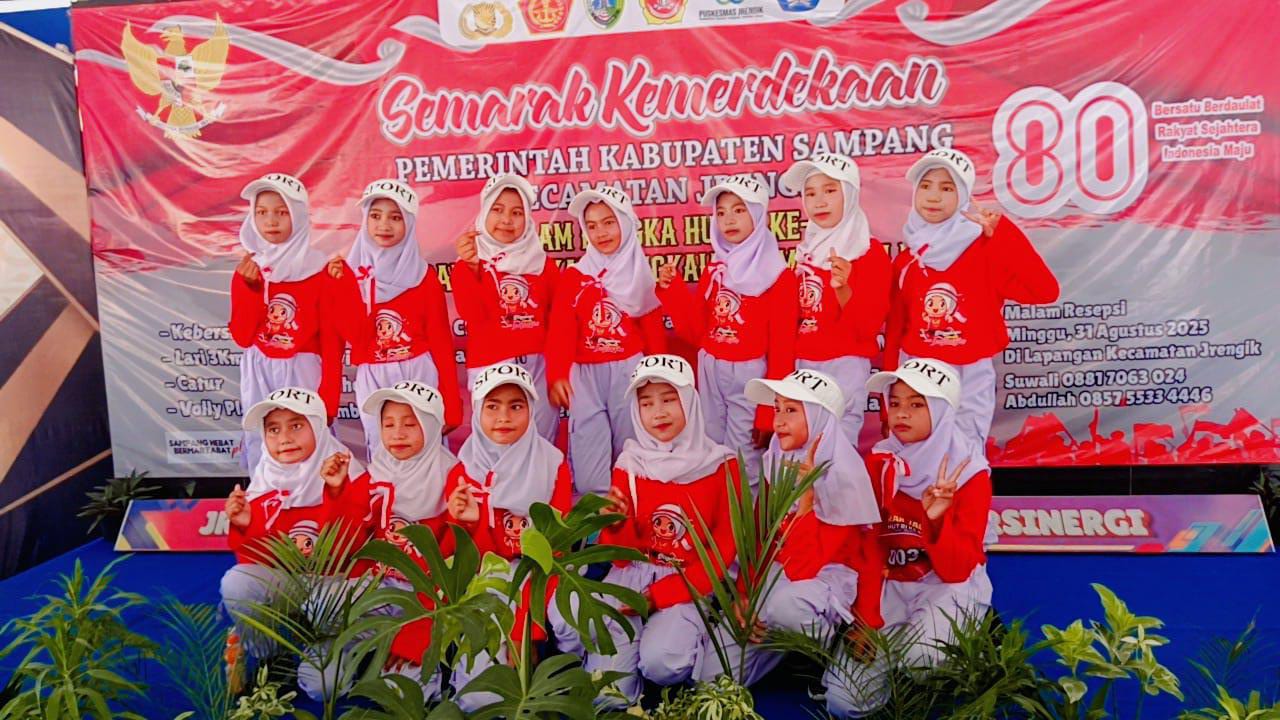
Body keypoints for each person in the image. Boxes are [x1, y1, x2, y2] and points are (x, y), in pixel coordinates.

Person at [550, 354, 741, 704]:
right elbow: (620, 554)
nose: (658, 413)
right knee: (608, 697)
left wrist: (660, 597)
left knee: (663, 662)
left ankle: (690, 638)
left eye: (669, 399)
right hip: (632, 576)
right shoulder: (630, 463)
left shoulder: (722, 465)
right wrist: (615, 522)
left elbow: (724, 549)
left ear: (690, 401)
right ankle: (622, 658)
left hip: (687, 581)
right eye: (646, 403)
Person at [825, 357, 994, 718]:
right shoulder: (880, 461)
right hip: (892, 586)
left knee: (923, 660)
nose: (901, 413)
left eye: (917, 404)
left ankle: (970, 642)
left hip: (946, 585)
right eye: (895, 402)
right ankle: (900, 658)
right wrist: (867, 619)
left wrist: (935, 520)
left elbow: (956, 570)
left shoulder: (970, 473)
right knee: (844, 702)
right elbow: (869, 546)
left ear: (942, 411)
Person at [694, 368, 882, 686]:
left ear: (820, 417)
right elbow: (760, 535)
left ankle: (829, 646)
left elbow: (804, 567)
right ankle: (780, 646)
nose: (778, 421)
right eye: (777, 409)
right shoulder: (776, 458)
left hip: (819, 582)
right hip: (777, 575)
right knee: (711, 678)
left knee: (788, 608)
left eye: (791, 410)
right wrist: (745, 595)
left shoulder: (844, 474)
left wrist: (806, 501)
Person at [884, 148, 1059, 446]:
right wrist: (889, 388)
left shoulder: (986, 250)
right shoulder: (907, 259)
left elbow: (1044, 291)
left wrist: (1004, 234)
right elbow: (896, 327)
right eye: (925, 186)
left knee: (966, 452)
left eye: (947, 188)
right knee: (916, 453)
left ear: (963, 195)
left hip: (970, 371)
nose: (933, 197)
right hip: (917, 370)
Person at [443, 363, 572, 710]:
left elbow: (551, 552)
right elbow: (464, 558)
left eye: (516, 406)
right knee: (479, 698)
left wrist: (524, 631)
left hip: (541, 575)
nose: (503, 417)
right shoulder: (463, 469)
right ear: (477, 411)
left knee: (574, 619)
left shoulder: (553, 464)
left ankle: (571, 671)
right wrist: (467, 524)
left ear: (531, 410)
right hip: (489, 577)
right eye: (492, 406)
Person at [219, 387, 367, 680]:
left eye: (296, 426)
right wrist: (246, 525)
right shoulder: (265, 480)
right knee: (237, 582)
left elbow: (353, 547)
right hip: (293, 585)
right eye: (273, 430)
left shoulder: (350, 473)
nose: (284, 438)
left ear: (318, 427)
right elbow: (254, 563)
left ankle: (339, 643)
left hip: (338, 588)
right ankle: (268, 654)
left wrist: (336, 493)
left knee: (320, 685)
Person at [658, 174, 796, 479]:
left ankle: (745, 512)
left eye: (739, 210)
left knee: (744, 458)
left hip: (750, 376)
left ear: (758, 215)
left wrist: (768, 408)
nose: (728, 219)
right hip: (710, 368)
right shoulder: (714, 269)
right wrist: (673, 290)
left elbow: (783, 348)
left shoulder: (779, 276)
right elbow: (696, 332)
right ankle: (717, 510)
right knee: (710, 450)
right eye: (720, 213)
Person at [229, 174, 359, 469]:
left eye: (282, 212)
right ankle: (266, 492)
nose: (271, 221)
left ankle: (317, 495)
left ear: (298, 216)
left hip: (304, 370)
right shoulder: (248, 269)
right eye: (262, 212)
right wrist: (250, 289)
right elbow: (242, 336)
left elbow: (332, 342)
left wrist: (328, 400)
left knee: (309, 440)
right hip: (259, 368)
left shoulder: (320, 270)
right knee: (263, 441)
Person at [547, 187, 667, 496]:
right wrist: (557, 373)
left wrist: (658, 377)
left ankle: (632, 514)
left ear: (625, 223)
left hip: (630, 372)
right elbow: (561, 329)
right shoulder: (575, 276)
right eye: (592, 225)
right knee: (588, 464)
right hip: (585, 376)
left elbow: (653, 331)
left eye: (609, 222)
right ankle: (597, 516)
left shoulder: (639, 274)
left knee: (633, 449)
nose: (601, 232)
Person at [349, 380, 458, 697]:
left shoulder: (453, 476)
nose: (397, 434)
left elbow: (452, 565)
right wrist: (339, 490)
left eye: (410, 424)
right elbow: (353, 539)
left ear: (432, 425)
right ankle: (369, 651)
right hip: (379, 588)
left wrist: (414, 635)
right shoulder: (376, 471)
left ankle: (414, 659)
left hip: (426, 600)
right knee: (321, 679)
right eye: (388, 424)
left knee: (406, 693)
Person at [780, 153, 891, 446]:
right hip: (804, 362)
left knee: (838, 445)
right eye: (810, 193)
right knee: (805, 445)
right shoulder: (806, 251)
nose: (819, 202)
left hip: (844, 364)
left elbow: (868, 327)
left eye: (830, 190)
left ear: (850, 194)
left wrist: (845, 289)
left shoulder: (868, 252)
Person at [342, 179, 462, 450]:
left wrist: (451, 403)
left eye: (395, 217)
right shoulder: (350, 275)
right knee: (382, 447)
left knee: (426, 444)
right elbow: (356, 340)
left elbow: (441, 341)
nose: (384, 225)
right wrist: (345, 291)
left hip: (418, 370)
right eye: (375, 216)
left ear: (409, 222)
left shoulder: (423, 277)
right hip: (373, 374)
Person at [454, 174, 561, 441]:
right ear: (484, 213)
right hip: (491, 368)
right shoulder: (468, 264)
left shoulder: (543, 264)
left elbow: (558, 324)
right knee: (495, 446)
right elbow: (473, 316)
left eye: (517, 212)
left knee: (541, 445)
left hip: (538, 368)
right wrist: (471, 269)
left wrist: (556, 374)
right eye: (497, 210)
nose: (506, 220)